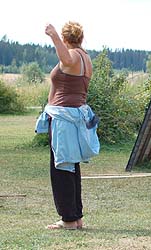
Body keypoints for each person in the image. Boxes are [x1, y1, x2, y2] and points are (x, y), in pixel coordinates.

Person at [36, 21, 99, 229]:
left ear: (65, 39)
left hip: (64, 119)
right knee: (71, 166)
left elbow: (65, 58)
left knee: (61, 166)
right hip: (71, 117)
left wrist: (53, 35)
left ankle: (69, 220)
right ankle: (75, 216)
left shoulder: (72, 56)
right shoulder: (85, 57)